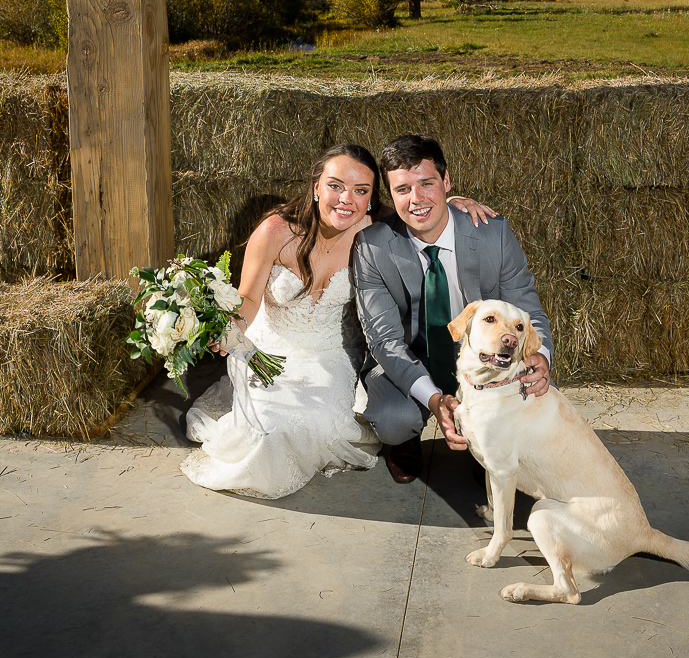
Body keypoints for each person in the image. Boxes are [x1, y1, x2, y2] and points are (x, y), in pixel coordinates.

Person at [181, 143, 494, 500]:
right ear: (316, 186)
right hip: (272, 348)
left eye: (360, 191)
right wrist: (230, 327)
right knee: (267, 427)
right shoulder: (274, 232)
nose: (346, 199)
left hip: (332, 354)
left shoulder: (378, 228)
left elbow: (422, 209)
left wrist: (455, 202)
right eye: (335, 186)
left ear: (371, 198)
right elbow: (249, 297)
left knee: (311, 423)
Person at [354, 133, 553, 484]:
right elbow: (384, 341)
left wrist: (544, 356)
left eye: (427, 184)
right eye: (402, 190)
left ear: (446, 181)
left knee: (532, 410)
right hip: (410, 354)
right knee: (391, 421)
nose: (416, 200)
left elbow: (526, 307)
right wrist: (434, 401)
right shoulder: (372, 247)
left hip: (482, 356)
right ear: (390, 194)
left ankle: (488, 436)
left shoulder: (494, 234)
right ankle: (406, 440)